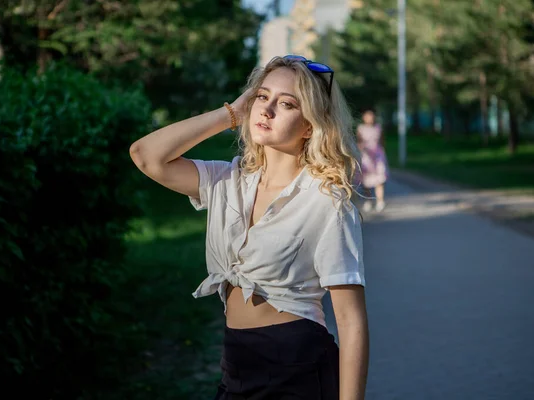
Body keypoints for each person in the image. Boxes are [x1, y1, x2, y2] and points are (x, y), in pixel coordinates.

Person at [129, 55, 369, 399]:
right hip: (236, 362)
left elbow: (351, 322)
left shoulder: (326, 201)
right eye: (262, 96)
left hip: (297, 365)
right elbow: (145, 155)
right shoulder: (227, 179)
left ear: (310, 126)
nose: (267, 110)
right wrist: (232, 113)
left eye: (286, 103)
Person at [356, 110, 388, 213]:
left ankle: (380, 201)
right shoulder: (360, 129)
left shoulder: (378, 128)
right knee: (366, 180)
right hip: (366, 157)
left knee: (380, 179)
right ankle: (368, 200)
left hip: (377, 156)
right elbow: (359, 142)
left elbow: (382, 142)